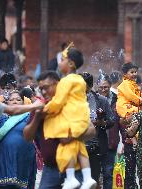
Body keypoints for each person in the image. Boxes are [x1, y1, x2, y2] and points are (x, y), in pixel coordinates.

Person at [23, 71, 97, 189]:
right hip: (50, 169)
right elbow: (27, 137)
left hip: (75, 167)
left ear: (58, 84)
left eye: (46, 88)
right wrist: (37, 117)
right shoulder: (41, 107)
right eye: (41, 89)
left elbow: (92, 130)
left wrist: (71, 136)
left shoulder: (71, 104)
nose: (43, 92)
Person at [43, 44, 96, 189]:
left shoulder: (66, 81)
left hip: (72, 119)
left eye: (62, 60)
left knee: (67, 146)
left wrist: (46, 108)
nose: (59, 63)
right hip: (82, 117)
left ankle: (71, 177)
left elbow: (58, 101)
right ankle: (87, 178)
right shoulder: (80, 80)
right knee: (79, 147)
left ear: (71, 63)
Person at [0, 90, 36, 189]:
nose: (14, 101)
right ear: (7, 103)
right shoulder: (0, 119)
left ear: (23, 104)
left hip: (22, 160)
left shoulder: (29, 117)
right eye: (11, 99)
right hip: (1, 162)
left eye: (18, 99)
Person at [80, 72, 115, 187]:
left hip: (95, 147)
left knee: (93, 181)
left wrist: (101, 122)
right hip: (75, 147)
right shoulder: (70, 100)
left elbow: (111, 121)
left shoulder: (101, 100)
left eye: (83, 88)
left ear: (90, 87)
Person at [116, 62, 142, 189]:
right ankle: (134, 140)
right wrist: (141, 102)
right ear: (125, 74)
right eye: (131, 72)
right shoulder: (125, 84)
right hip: (124, 106)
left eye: (135, 72)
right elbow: (131, 96)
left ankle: (134, 139)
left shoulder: (133, 84)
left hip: (130, 106)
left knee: (134, 123)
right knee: (133, 122)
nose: (134, 74)